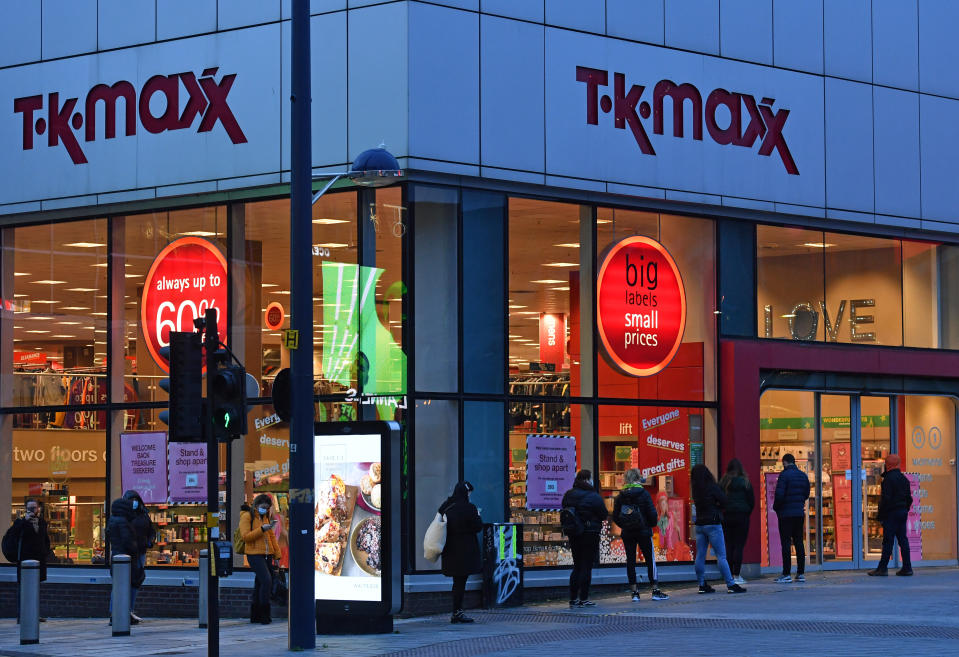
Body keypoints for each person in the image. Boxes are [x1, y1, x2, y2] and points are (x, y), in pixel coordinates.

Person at [612, 469, 668, 601]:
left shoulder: (620, 496)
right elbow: (652, 514)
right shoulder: (644, 494)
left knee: (630, 561)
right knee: (650, 560)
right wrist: (649, 524)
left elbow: (615, 516)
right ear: (638, 478)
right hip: (644, 531)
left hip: (628, 533)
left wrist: (625, 525)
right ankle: (655, 590)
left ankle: (634, 593)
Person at [691, 464, 746, 594]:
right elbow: (724, 501)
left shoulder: (695, 489)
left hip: (700, 525)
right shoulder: (712, 486)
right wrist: (716, 505)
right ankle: (731, 584)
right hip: (713, 524)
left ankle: (701, 584)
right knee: (721, 556)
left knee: (700, 555)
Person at [562, 469, 608, 607]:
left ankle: (573, 598)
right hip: (590, 533)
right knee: (586, 566)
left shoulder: (569, 494)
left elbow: (564, 507)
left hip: (574, 533)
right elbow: (603, 513)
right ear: (588, 479)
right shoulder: (593, 496)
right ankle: (583, 598)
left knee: (577, 565)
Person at [438, 481, 483, 624]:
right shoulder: (469, 508)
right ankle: (457, 612)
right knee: (460, 582)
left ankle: (456, 611)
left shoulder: (447, 506)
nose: (470, 496)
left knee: (457, 581)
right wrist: (478, 515)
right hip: (464, 550)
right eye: (469, 493)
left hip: (450, 549)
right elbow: (477, 527)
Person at [6, 498, 52, 623]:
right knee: (23, 589)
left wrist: (46, 551)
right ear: (26, 508)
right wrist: (24, 521)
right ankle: (22, 615)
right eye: (30, 508)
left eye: (35, 507)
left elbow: (45, 539)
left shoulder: (42, 522)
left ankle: (35, 614)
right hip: (25, 560)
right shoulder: (20, 522)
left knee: (36, 588)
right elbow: (14, 534)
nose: (33, 510)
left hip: (39, 560)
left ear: (38, 508)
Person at [868, 453, 914, 577]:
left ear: (887, 465)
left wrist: (881, 516)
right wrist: (905, 508)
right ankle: (907, 567)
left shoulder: (888, 479)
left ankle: (882, 568)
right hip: (902, 512)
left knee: (888, 541)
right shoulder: (904, 479)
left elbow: (886, 499)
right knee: (903, 539)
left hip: (891, 513)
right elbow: (909, 498)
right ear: (897, 464)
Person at [240, 494, 282, 624]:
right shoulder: (247, 517)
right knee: (266, 581)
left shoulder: (264, 518)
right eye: (264, 507)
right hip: (254, 554)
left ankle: (256, 615)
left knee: (259, 583)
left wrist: (277, 555)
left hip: (266, 554)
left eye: (268, 508)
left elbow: (271, 537)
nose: (266, 509)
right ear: (257, 505)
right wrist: (261, 529)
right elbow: (245, 536)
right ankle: (264, 614)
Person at [772, 453, 811, 583]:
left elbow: (779, 495)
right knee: (799, 542)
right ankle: (800, 573)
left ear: (785, 462)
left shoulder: (784, 475)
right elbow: (806, 494)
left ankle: (786, 573)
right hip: (799, 513)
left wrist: (776, 507)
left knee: (786, 543)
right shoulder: (803, 475)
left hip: (786, 514)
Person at [106, 494, 143, 625]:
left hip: (117, 557)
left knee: (119, 586)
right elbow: (128, 541)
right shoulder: (123, 522)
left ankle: (118, 614)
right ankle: (121, 615)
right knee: (126, 586)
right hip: (126, 559)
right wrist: (135, 548)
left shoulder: (113, 520)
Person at [719, 458, 755, 585]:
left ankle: (728, 576)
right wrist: (746, 513)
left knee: (729, 545)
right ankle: (737, 575)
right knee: (739, 546)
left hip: (727, 517)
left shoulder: (724, 482)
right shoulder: (745, 482)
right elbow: (752, 502)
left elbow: (719, 499)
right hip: (742, 517)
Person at [122, 490, 155, 623]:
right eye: (131, 500)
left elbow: (151, 530)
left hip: (140, 551)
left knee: (137, 580)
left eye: (136, 500)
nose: (134, 502)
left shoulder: (144, 515)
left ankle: (130, 610)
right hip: (127, 553)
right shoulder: (124, 515)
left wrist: (149, 541)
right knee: (123, 582)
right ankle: (119, 612)